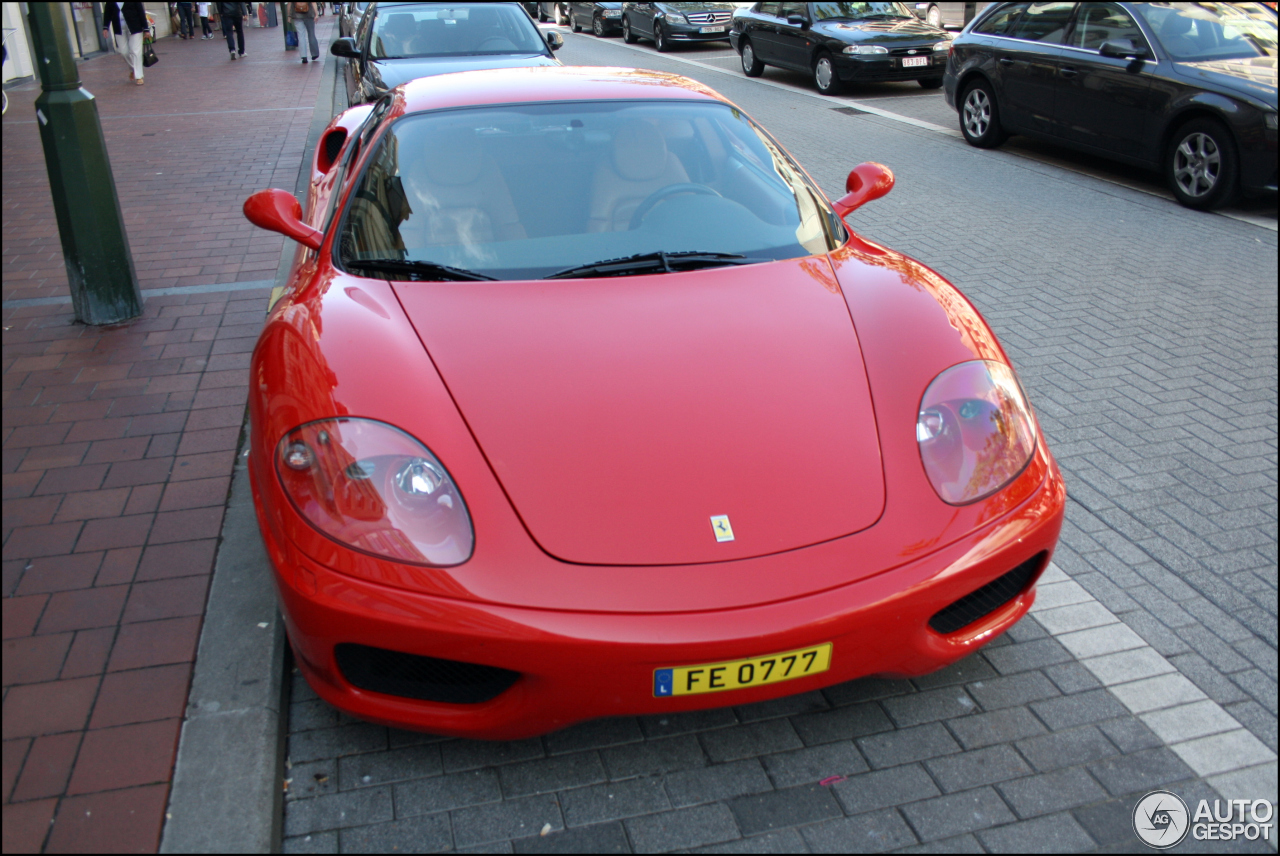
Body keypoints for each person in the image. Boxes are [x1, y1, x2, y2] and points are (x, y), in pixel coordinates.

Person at [102, 2, 147, 85]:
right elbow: (107, 13)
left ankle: (139, 76)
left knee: (135, 51)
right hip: (119, 29)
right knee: (123, 51)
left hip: (135, 28)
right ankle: (133, 69)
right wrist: (105, 27)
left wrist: (146, 29)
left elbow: (141, 12)